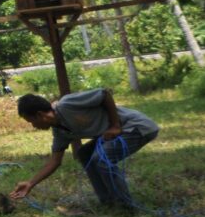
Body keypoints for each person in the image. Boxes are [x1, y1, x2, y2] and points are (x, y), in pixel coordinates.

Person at [10, 89, 160, 209]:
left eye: (31, 122)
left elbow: (104, 94)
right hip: (118, 132)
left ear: (40, 115)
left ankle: (125, 206)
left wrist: (115, 125)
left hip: (136, 127)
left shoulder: (66, 104)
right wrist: (30, 183)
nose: (33, 127)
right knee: (84, 153)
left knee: (101, 158)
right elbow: (54, 161)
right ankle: (107, 202)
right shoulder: (60, 131)